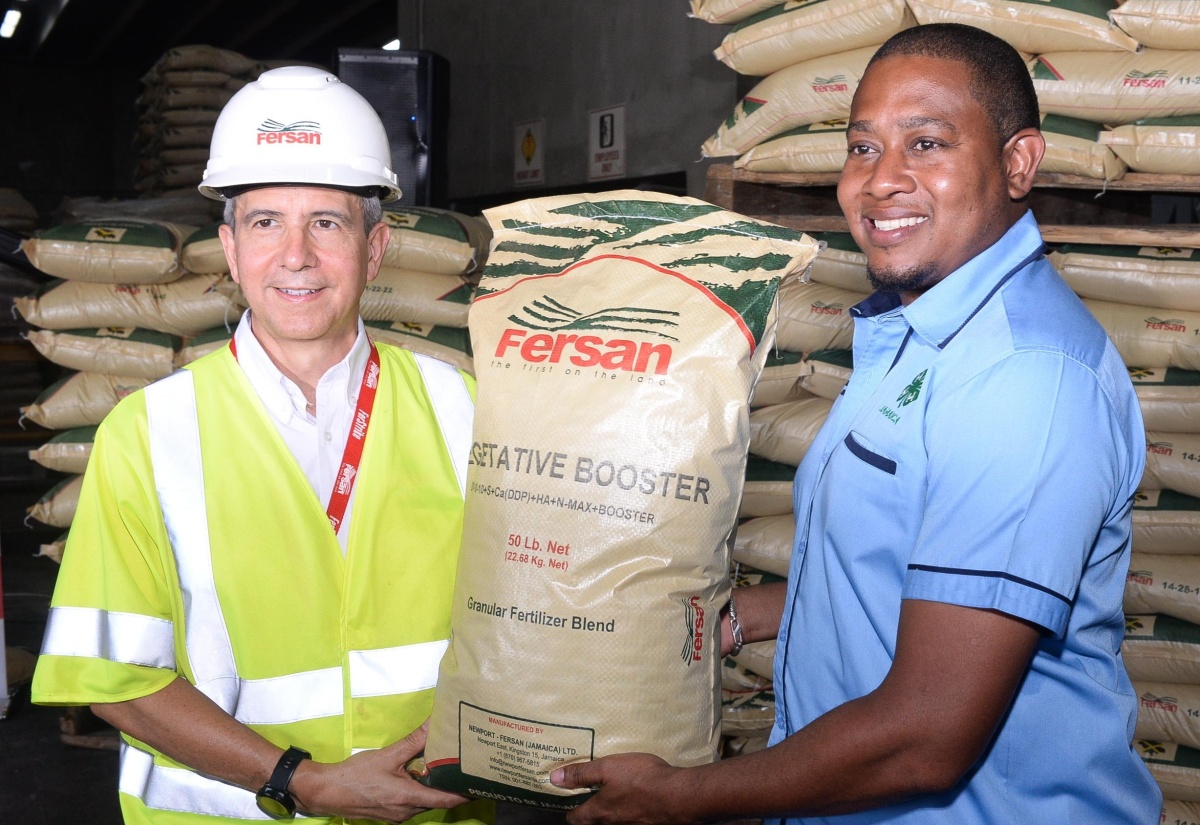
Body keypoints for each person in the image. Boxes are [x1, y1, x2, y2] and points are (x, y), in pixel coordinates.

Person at [550, 23, 1161, 825]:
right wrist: (726, 620)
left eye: (928, 144)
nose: (882, 181)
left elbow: (927, 736)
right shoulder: (917, 340)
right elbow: (884, 567)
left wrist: (681, 797)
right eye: (863, 148)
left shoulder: (1023, 378)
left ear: (1019, 163)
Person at [31, 66, 490, 825]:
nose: (297, 255)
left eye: (328, 223)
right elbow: (110, 676)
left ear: (375, 250)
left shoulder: (460, 409)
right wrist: (302, 782)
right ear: (231, 247)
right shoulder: (148, 434)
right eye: (267, 222)